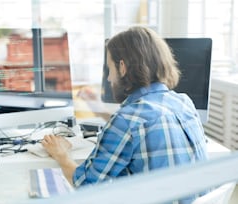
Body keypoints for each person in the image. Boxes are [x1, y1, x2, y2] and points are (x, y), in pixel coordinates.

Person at [41, 26, 208, 203]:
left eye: (109, 68)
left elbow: (84, 184)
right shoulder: (183, 103)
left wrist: (61, 155)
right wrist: (100, 110)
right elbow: (140, 129)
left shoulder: (126, 120)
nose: (108, 78)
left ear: (122, 67)